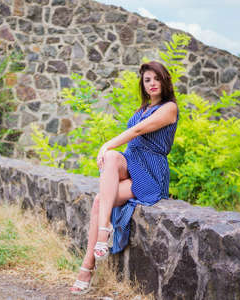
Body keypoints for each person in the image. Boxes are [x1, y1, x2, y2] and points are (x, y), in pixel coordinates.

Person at [70, 61, 179, 295]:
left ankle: (87, 267)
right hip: (131, 162)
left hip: (150, 172)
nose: (152, 83)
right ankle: (103, 234)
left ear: (165, 81)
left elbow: (138, 131)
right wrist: (109, 150)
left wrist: (107, 142)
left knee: (101, 200)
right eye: (147, 80)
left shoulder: (169, 108)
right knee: (109, 159)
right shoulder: (142, 109)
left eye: (156, 78)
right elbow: (130, 141)